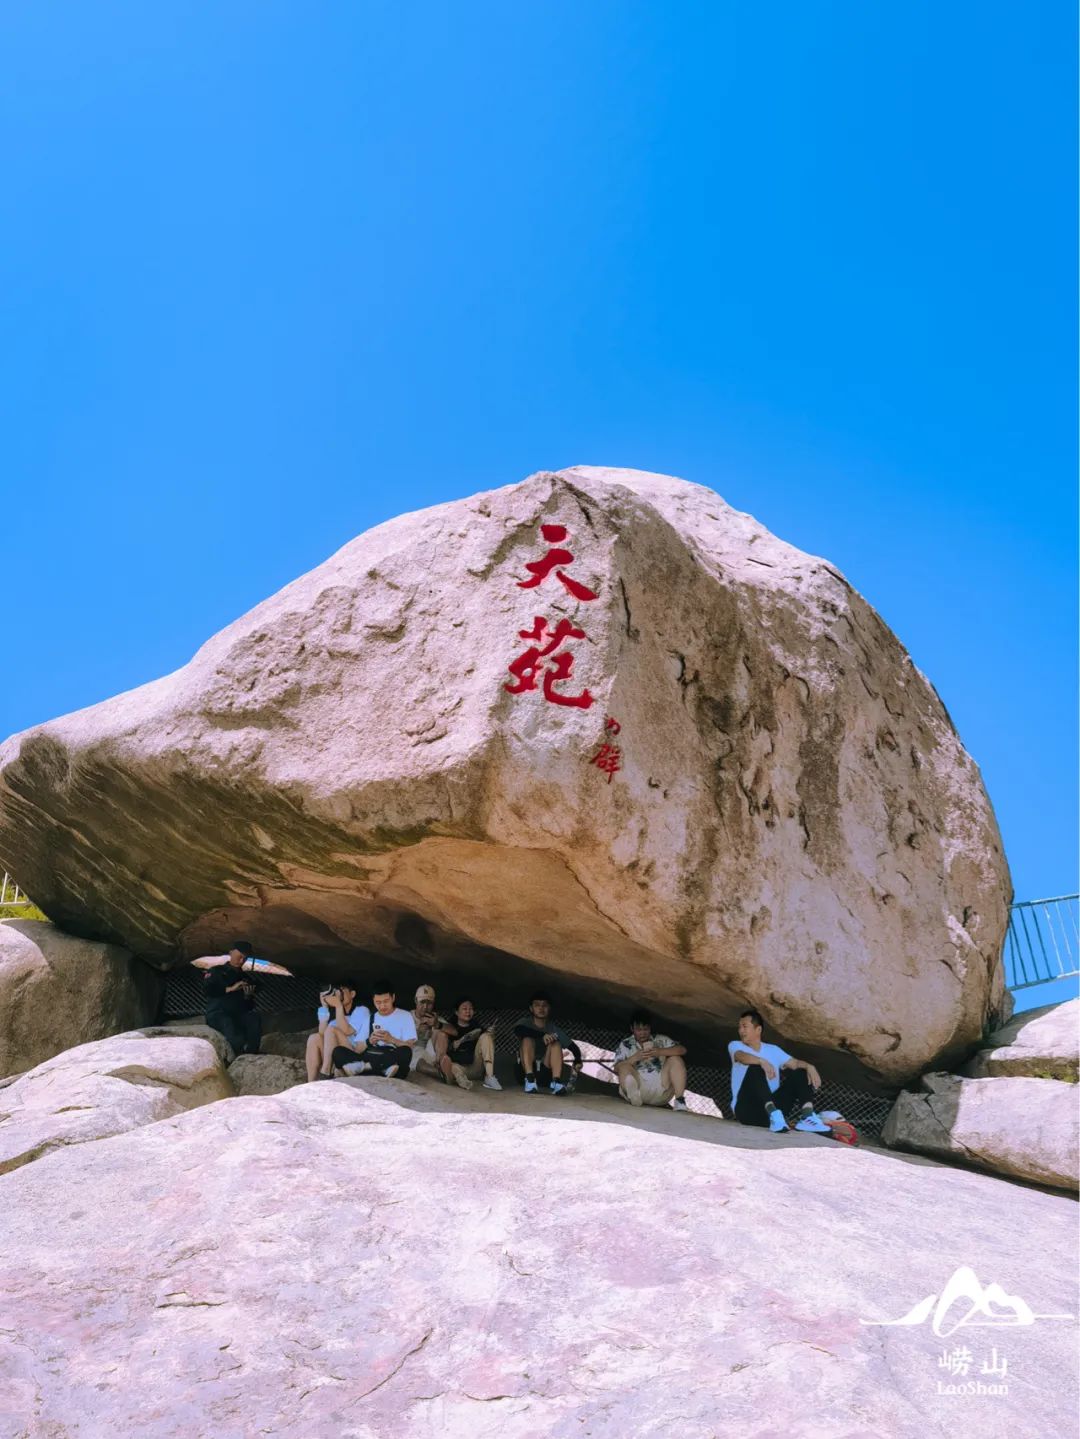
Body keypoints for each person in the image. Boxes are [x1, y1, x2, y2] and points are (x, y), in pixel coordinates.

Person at [728, 1009, 831, 1132]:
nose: (741, 1030)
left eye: (745, 1026)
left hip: (776, 1113)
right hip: (747, 1111)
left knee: (800, 1071)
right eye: (739, 1027)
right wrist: (761, 1061)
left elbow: (795, 1063)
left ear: (758, 1029)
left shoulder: (773, 1050)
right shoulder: (735, 1045)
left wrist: (810, 1066)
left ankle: (807, 1117)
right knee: (755, 1068)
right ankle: (773, 1114)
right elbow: (741, 1057)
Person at [612, 1009, 689, 1111]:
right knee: (623, 1066)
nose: (642, 1033)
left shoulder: (660, 1039)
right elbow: (616, 1069)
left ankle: (679, 1101)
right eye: (639, 1030)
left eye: (645, 1029)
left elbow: (682, 1050)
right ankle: (633, 1095)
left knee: (676, 1059)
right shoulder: (625, 1044)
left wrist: (660, 1052)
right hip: (639, 1090)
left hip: (662, 1090)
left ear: (650, 1028)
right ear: (632, 1029)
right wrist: (634, 1058)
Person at [513, 992, 581, 1095]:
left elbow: (573, 1047)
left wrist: (578, 1060)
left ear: (549, 1008)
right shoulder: (525, 1022)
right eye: (537, 1005)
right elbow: (518, 1030)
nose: (541, 1008)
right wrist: (542, 1035)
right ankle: (530, 1080)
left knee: (555, 1043)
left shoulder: (553, 1028)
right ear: (531, 1008)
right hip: (524, 1072)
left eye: (544, 1005)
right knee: (527, 1039)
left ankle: (556, 1082)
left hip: (545, 1073)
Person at [341, 985, 416, 1078]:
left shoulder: (405, 1016)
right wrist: (369, 1041)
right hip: (373, 1055)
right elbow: (358, 1050)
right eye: (378, 1002)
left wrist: (392, 1040)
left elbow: (410, 1046)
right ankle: (381, 1068)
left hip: (393, 1058)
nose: (382, 1006)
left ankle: (367, 1067)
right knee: (338, 1051)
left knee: (405, 1051)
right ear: (373, 1001)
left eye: (386, 1001)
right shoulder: (370, 1019)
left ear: (393, 998)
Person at [203, 942, 262, 1056]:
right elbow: (208, 990)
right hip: (218, 1014)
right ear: (231, 952)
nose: (241, 961)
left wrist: (248, 996)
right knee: (229, 1026)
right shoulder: (216, 971)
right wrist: (230, 988)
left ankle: (252, 1055)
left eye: (245, 959)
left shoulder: (245, 978)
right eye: (239, 957)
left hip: (238, 1015)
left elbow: (249, 1007)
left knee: (254, 1018)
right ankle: (236, 1057)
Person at [306, 983, 370, 1081]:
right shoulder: (337, 1018)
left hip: (353, 1055)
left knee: (332, 1030)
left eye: (342, 990)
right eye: (336, 991)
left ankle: (326, 1072)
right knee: (314, 1038)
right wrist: (324, 1007)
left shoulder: (362, 1010)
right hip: (335, 1058)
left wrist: (338, 1006)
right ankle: (310, 1083)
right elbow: (322, 1034)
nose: (338, 994)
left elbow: (347, 1030)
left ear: (352, 994)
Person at [435, 996, 502, 1091]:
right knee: (452, 1066)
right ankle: (457, 1079)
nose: (468, 1011)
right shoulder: (450, 1027)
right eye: (464, 1009)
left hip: (475, 1067)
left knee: (486, 1036)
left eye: (471, 1009)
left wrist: (491, 1034)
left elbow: (483, 1041)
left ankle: (490, 1077)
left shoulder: (476, 1026)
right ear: (456, 1012)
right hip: (458, 1066)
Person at [410, 984, 446, 1076]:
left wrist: (437, 1024)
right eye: (422, 1002)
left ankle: (441, 1065)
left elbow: (454, 1031)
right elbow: (397, 1040)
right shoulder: (407, 1017)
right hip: (415, 1052)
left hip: (433, 1055)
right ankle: (442, 1074)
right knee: (417, 1059)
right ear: (416, 1001)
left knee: (440, 1032)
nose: (425, 1006)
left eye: (429, 1003)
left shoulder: (434, 1018)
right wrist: (417, 1031)